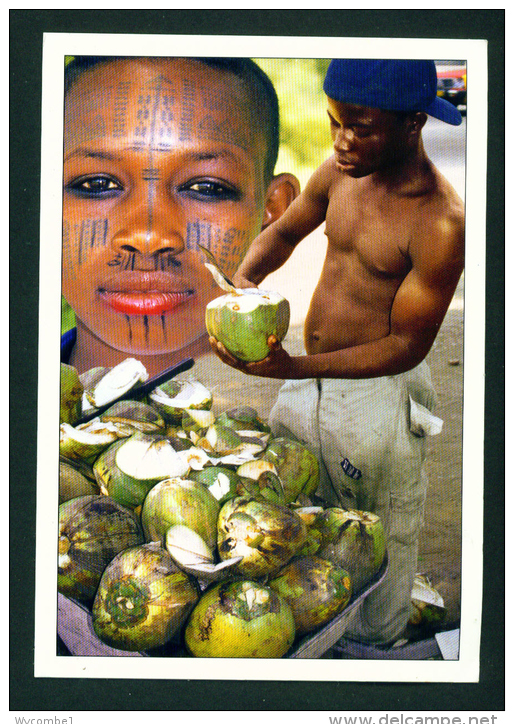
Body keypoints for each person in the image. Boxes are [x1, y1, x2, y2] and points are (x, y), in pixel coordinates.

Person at [210, 59, 465, 646]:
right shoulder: (341, 171)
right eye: (334, 123)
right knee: (297, 512)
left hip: (376, 395)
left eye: (363, 127)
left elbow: (404, 347)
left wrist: (292, 367)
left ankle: (377, 648)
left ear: (412, 124)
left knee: (378, 533)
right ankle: (316, 637)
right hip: (308, 378)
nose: (343, 141)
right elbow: (281, 234)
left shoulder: (439, 221)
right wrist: (242, 283)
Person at [62, 56, 299, 376]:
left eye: (205, 187)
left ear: (275, 209)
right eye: (97, 184)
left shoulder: (329, 411)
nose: (148, 237)